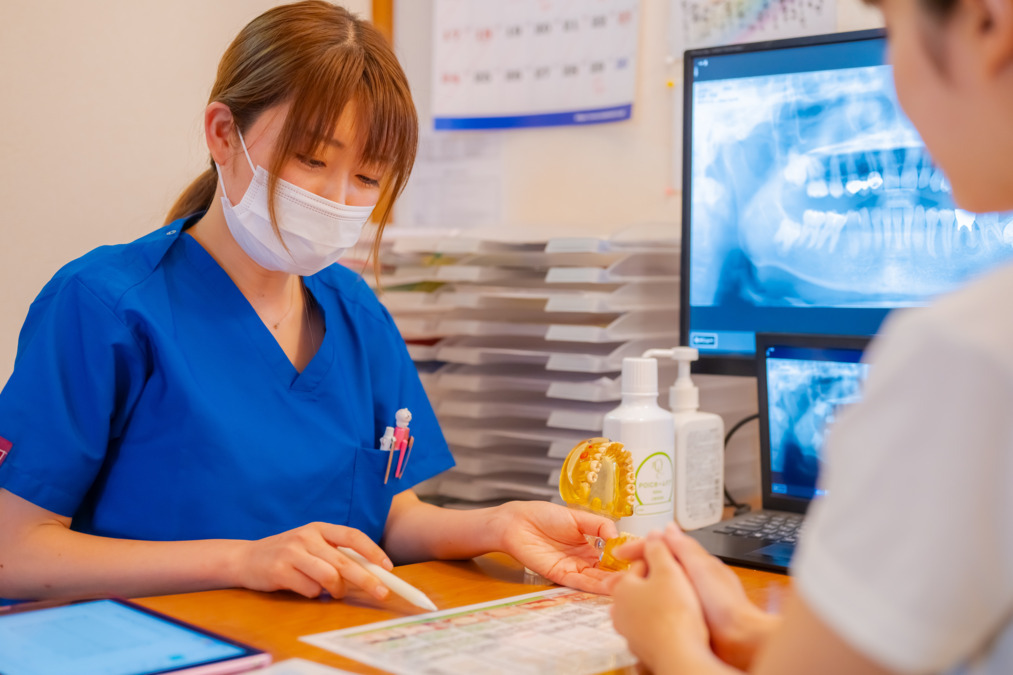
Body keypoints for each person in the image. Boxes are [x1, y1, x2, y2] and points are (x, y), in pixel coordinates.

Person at [0, 1, 616, 603]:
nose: (336, 196)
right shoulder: (103, 307)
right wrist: (244, 560)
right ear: (223, 134)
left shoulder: (353, 310)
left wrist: (497, 526)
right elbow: (15, 552)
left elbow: (392, 521)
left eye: (368, 178)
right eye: (311, 158)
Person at [609, 0, 1013, 672]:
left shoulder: (967, 352)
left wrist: (666, 639)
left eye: (891, 29)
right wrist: (744, 626)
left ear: (985, 23)